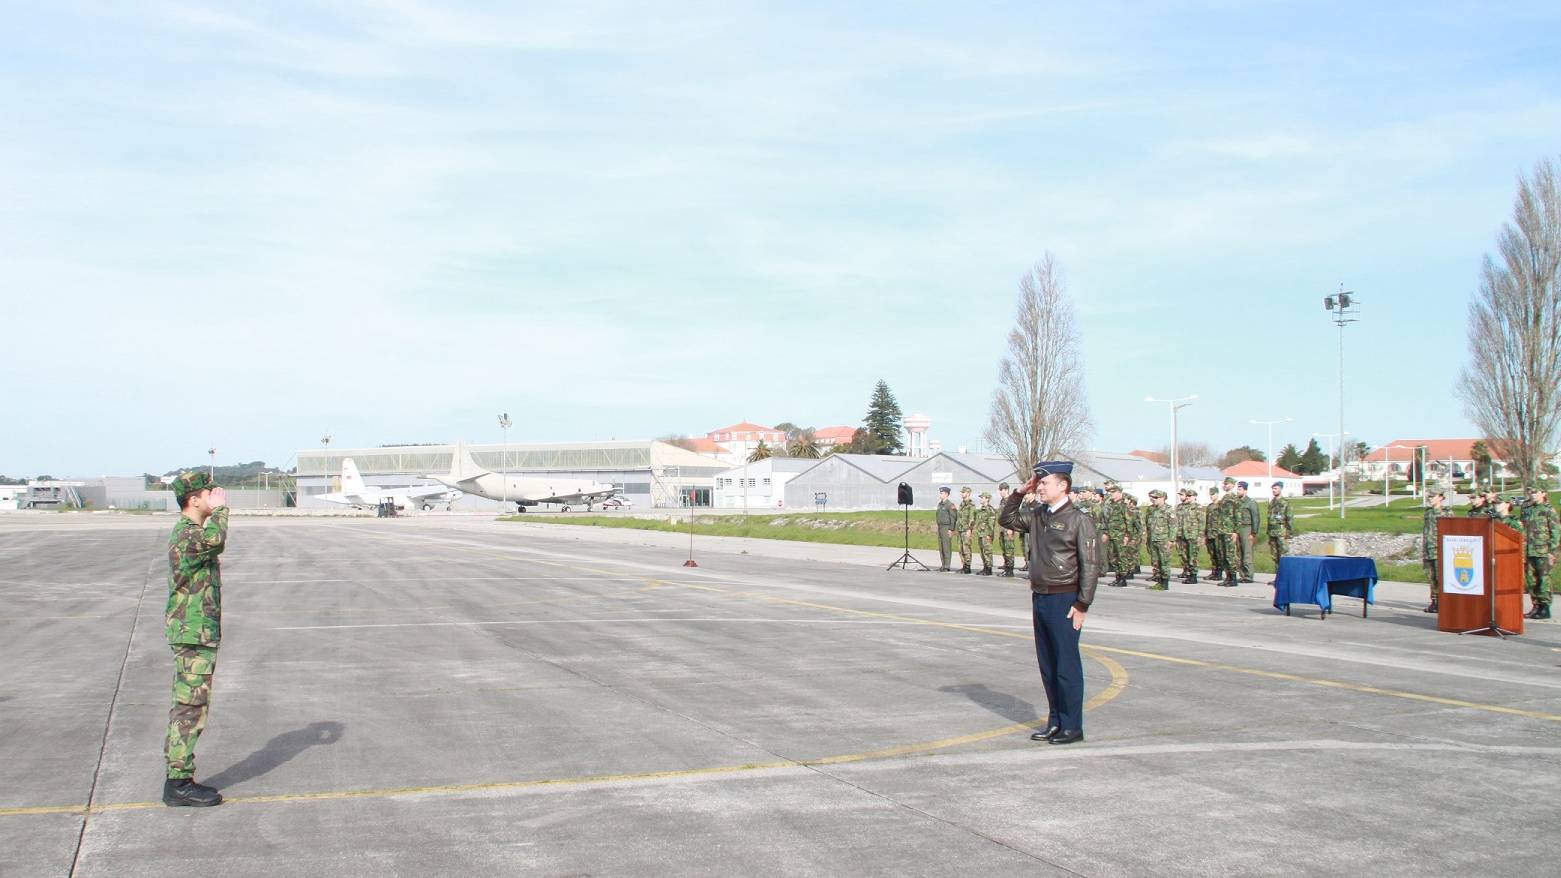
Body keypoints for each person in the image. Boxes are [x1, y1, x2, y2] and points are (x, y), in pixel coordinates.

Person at [1000, 461, 1100, 746]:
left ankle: (1072, 725)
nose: (1039, 487)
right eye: (1038, 483)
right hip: (1041, 595)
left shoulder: (1078, 520)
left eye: (1044, 483)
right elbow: (1007, 520)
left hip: (1065, 598)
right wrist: (1019, 493)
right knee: (1048, 664)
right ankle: (1055, 721)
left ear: (1062, 485)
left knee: (1066, 665)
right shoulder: (1038, 515)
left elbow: (1091, 565)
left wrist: (1082, 603)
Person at [162, 471, 230, 807]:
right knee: (190, 708)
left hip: (195, 633)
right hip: (192, 634)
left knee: (189, 706)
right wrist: (221, 511)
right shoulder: (189, 535)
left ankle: (179, 778)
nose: (215, 496)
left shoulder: (190, 533)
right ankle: (178, 782)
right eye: (208, 493)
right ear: (193, 499)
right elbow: (216, 540)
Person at [1520, 484, 1558, 620]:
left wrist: (1552, 552)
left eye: (1536, 492)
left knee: (1543, 580)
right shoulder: (1527, 509)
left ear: (1543, 493)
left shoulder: (1548, 510)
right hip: (1529, 550)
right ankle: (1535, 606)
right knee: (1531, 580)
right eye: (1531, 492)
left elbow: (1555, 532)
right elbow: (1522, 529)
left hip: (1543, 551)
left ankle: (1545, 607)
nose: (1533, 495)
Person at [1101, 482, 1134, 587]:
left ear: (1119, 493)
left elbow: (1129, 521)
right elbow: (1107, 520)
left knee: (1122, 557)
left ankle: (1123, 578)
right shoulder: (1110, 505)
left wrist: (1127, 536)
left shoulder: (1124, 506)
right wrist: (1106, 533)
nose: (1111, 494)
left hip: (1120, 535)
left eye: (1113, 492)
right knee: (1113, 557)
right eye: (1110, 492)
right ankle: (1117, 577)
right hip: (1111, 534)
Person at [1142, 489, 1175, 590]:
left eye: (1156, 498)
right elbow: (1148, 525)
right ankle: (1159, 581)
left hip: (1163, 540)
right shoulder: (1151, 510)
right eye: (1152, 498)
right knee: (1156, 561)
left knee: (1164, 561)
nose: (1153, 499)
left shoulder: (1168, 510)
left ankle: (1165, 583)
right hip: (1153, 539)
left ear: (1162, 498)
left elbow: (1173, 526)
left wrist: (1171, 540)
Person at [1422, 488, 1446, 613]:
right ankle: (1434, 602)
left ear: (1441, 497)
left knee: (1440, 577)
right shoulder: (1428, 512)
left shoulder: (1445, 513)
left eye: (1433, 496)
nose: (1430, 498)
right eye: (1429, 496)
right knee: (1431, 577)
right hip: (1428, 549)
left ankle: (1444, 602)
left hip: (1439, 550)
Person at [1175, 488, 1205, 584]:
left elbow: (1201, 522)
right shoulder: (1182, 507)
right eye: (1186, 495)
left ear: (1194, 497)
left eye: (1189, 496)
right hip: (1182, 534)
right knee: (1184, 555)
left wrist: (1200, 535)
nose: (1187, 497)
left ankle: (1193, 575)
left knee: (1192, 556)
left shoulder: (1198, 507)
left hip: (1193, 535)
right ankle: (1187, 572)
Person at [1232, 480, 1260, 583]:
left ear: (1245, 490)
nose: (1238, 491)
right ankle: (1242, 574)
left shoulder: (1250, 502)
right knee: (1239, 552)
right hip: (1238, 529)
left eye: (1239, 489)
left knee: (1247, 553)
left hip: (1246, 528)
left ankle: (1249, 575)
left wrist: (1253, 533)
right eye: (1237, 489)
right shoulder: (1237, 502)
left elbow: (1255, 518)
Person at [1267, 482, 1295, 563]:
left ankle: (1285, 574)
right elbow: (1269, 518)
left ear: (1280, 489)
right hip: (1272, 532)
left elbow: (1289, 518)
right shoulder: (1272, 502)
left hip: (1281, 532)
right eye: (1272, 489)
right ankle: (1277, 574)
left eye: (1275, 489)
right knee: (1274, 556)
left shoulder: (1285, 502)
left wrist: (1289, 532)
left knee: (1283, 554)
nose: (1273, 490)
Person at [1204, 485, 1226, 582]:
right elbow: (1207, 521)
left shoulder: (1221, 505)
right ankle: (1214, 572)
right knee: (1212, 554)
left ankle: (1219, 573)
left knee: (1219, 553)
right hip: (1210, 532)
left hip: (1218, 533)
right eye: (1210, 494)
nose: (1211, 496)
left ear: (1217, 494)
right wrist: (1205, 534)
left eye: (1213, 494)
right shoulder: (1209, 506)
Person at [934, 487, 958, 572]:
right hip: (940, 527)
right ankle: (943, 564)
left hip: (946, 527)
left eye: (942, 493)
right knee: (941, 547)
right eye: (940, 493)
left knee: (946, 547)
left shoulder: (950, 505)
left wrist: (951, 529)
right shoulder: (940, 504)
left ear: (946, 494)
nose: (940, 495)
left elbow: (953, 517)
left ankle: (947, 566)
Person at [974, 491, 998, 576]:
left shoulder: (990, 509)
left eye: (982, 497)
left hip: (986, 534)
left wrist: (989, 534)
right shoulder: (981, 509)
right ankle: (985, 567)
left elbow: (991, 524)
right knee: (982, 551)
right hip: (981, 533)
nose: (980, 499)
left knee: (987, 551)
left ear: (987, 499)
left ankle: (988, 568)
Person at [997, 483, 1018, 577]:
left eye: (1002, 490)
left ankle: (1010, 570)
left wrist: (1011, 528)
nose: (1001, 492)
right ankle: (1006, 567)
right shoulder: (1002, 501)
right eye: (1000, 490)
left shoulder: (1010, 500)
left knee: (1009, 549)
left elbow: (1013, 515)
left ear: (1007, 490)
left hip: (1008, 529)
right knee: (1004, 548)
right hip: (1002, 528)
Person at [955, 487, 977, 574]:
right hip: (960, 529)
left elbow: (972, 518)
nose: (961, 494)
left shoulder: (971, 505)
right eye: (961, 492)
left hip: (966, 529)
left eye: (963, 492)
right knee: (960, 548)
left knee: (966, 548)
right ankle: (963, 565)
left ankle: (967, 566)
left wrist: (969, 529)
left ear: (968, 493)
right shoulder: (961, 504)